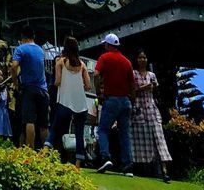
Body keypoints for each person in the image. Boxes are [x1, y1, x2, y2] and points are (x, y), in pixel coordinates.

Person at [43, 35, 91, 168]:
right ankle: (77, 164)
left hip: (64, 102)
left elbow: (57, 81)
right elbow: (88, 86)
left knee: (54, 129)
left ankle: (44, 153)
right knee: (79, 134)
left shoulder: (60, 62)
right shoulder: (82, 65)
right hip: (81, 104)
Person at [94, 32, 134, 176]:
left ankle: (105, 156)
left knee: (103, 130)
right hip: (126, 100)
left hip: (111, 99)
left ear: (109, 45)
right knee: (125, 134)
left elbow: (97, 74)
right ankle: (128, 166)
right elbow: (132, 83)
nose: (104, 46)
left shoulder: (104, 57)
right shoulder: (127, 61)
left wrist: (99, 92)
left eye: (105, 44)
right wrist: (132, 101)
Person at [131, 51, 172, 182]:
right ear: (136, 59)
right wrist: (144, 88)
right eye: (140, 57)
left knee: (159, 139)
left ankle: (164, 171)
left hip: (151, 109)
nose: (142, 60)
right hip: (138, 109)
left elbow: (156, 90)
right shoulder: (133, 74)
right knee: (139, 141)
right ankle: (142, 170)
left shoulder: (152, 75)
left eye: (144, 57)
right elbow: (131, 91)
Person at [12, 30, 49, 148]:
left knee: (29, 120)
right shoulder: (40, 50)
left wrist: (15, 83)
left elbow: (14, 66)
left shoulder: (21, 49)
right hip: (43, 90)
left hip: (29, 89)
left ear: (23, 37)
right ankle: (46, 152)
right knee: (44, 124)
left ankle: (30, 150)